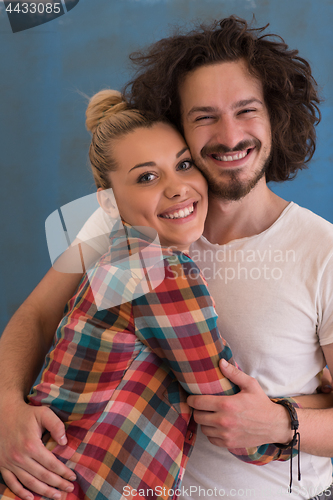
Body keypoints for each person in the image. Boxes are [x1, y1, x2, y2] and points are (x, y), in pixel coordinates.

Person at [0, 15, 333, 500]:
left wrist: (286, 422)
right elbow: (35, 316)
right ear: (178, 125)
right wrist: (7, 406)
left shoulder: (322, 251)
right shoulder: (134, 226)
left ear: (275, 115)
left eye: (246, 110)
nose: (229, 135)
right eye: (204, 116)